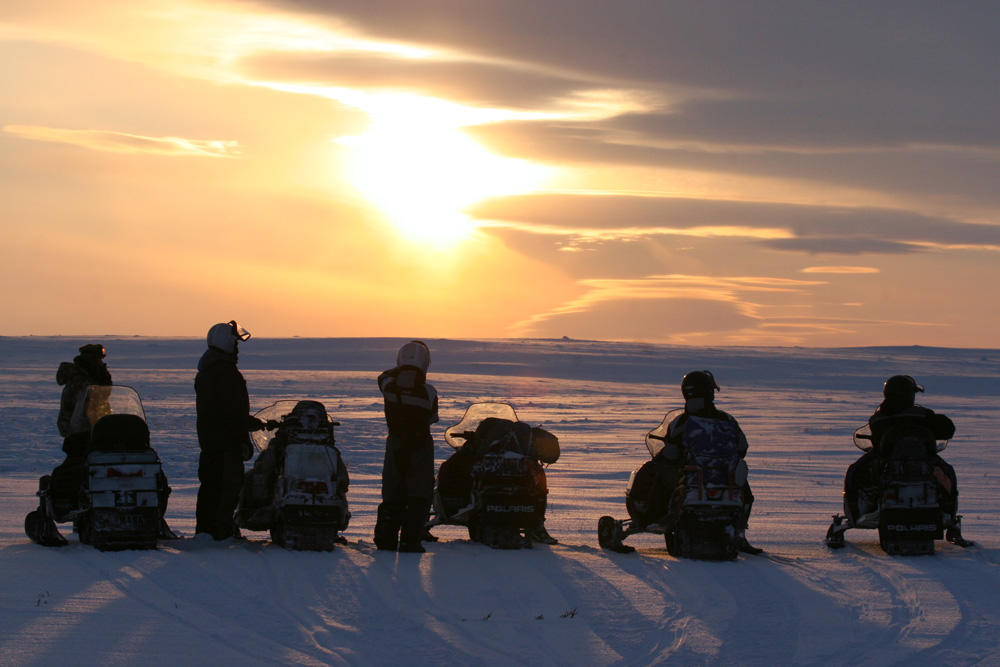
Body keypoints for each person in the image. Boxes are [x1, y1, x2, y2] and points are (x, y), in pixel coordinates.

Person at [626, 370, 760, 554]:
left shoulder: (682, 422)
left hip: (691, 479)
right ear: (710, 392)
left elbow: (671, 453)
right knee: (743, 487)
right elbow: (742, 447)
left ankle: (649, 518)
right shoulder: (728, 420)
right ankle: (740, 533)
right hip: (724, 480)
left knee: (654, 471)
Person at [843, 374, 968, 544]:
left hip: (891, 462)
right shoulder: (921, 415)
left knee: (856, 472)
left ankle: (857, 511)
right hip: (923, 462)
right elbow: (947, 429)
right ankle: (947, 508)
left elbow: (876, 440)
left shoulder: (879, 418)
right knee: (946, 472)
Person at [195, 321, 264, 540]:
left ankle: (210, 530)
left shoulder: (212, 369)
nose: (237, 348)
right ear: (227, 344)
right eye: (235, 344)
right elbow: (228, 410)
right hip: (224, 441)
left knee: (213, 486)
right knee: (225, 487)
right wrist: (246, 424)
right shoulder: (223, 372)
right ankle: (219, 531)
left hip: (215, 439)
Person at [374, 341, 438, 553]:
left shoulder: (389, 385)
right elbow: (432, 418)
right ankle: (411, 541)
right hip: (420, 444)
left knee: (393, 491)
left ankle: (386, 539)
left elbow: (382, 376)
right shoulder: (429, 391)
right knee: (419, 493)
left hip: (395, 442)